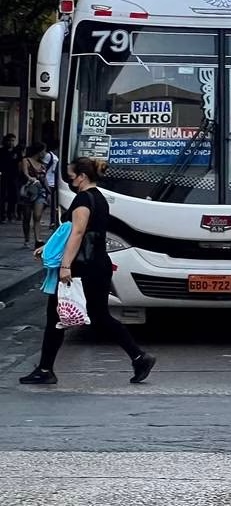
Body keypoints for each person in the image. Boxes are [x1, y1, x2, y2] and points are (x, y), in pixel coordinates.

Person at [19, 157, 156, 386]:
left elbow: (78, 232)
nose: (71, 180)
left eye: (72, 176)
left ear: (82, 177)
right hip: (98, 265)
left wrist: (65, 266)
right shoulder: (99, 198)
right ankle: (138, 357)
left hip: (83, 268)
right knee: (94, 316)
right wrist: (49, 246)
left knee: (58, 316)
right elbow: (75, 232)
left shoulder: (83, 199)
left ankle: (45, 369)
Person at [19, 143, 49, 248]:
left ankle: (38, 239)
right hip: (28, 192)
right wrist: (31, 179)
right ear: (39, 151)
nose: (45, 154)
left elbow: (45, 179)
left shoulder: (42, 165)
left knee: (37, 216)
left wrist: (48, 191)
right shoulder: (26, 161)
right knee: (26, 217)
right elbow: (25, 174)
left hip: (40, 192)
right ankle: (27, 239)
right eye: (44, 151)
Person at [0, 134, 20, 223]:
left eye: (13, 141)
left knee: (13, 196)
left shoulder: (16, 152)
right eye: (9, 140)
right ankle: (2, 215)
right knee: (2, 195)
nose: (11, 143)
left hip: (13, 176)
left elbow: (20, 163)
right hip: (3, 175)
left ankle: (10, 214)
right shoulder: (1, 151)